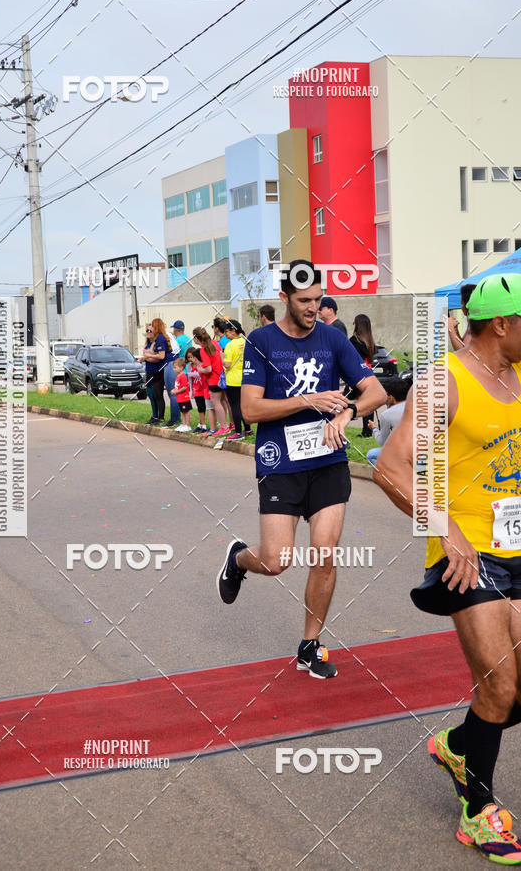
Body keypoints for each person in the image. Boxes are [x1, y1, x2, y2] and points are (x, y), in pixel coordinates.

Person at [375, 273, 521, 863]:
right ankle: (479, 812)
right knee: (500, 687)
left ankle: (460, 746)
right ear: (502, 324)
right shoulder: (445, 381)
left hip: (517, 546)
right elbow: (391, 467)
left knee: (516, 696)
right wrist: (446, 529)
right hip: (468, 556)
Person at [217, 260, 386, 678]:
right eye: (304, 300)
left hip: (328, 459)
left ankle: (310, 645)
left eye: (318, 299)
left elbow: (376, 391)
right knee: (277, 561)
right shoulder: (261, 341)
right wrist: (308, 401)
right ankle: (239, 559)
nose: (313, 308)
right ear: (285, 298)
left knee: (325, 555)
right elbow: (251, 409)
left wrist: (346, 413)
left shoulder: (332, 338)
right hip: (281, 462)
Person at [193, 326, 228, 437]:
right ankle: (227, 425)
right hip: (221, 376)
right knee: (223, 402)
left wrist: (200, 368)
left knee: (216, 403)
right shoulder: (214, 343)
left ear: (196, 338)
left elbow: (208, 369)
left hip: (213, 379)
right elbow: (221, 354)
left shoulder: (203, 350)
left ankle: (224, 427)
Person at [365, 377, 409, 466]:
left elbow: (382, 442)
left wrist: (374, 428)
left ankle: (395, 472)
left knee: (371, 455)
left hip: (404, 453)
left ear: (391, 397)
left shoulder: (386, 415)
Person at [137, 321, 172, 424]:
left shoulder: (158, 341)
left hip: (157, 371)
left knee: (158, 394)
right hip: (149, 371)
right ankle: (154, 416)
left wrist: (146, 357)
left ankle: (161, 418)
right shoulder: (148, 344)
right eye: (147, 330)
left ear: (155, 331)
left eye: (150, 330)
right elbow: (149, 357)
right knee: (151, 394)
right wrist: (145, 358)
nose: (148, 332)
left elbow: (158, 359)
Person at [348, 313, 376, 437]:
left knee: (354, 401)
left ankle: (366, 431)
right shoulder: (370, 341)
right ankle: (368, 429)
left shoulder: (354, 341)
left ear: (357, 325)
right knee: (369, 403)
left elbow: (351, 360)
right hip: (369, 373)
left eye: (354, 323)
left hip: (358, 374)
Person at [222, 319, 251, 440]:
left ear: (233, 331)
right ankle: (248, 429)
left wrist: (222, 358)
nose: (225, 334)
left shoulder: (230, 345)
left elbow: (227, 364)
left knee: (235, 406)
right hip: (245, 378)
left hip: (233, 380)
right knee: (243, 405)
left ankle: (238, 432)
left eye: (227, 332)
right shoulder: (245, 342)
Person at [186, 347, 210, 433]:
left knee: (205, 407)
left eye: (192, 357)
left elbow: (200, 374)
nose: (191, 359)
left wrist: (194, 374)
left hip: (204, 388)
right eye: (189, 357)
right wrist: (191, 391)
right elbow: (190, 379)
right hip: (196, 389)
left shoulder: (201, 364)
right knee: (200, 407)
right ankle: (202, 425)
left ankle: (202, 424)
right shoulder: (189, 366)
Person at [448, 283, 476, 351]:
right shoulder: (470, 323)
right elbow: (463, 345)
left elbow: (464, 352)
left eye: (462, 304)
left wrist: (450, 328)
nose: (461, 307)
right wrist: (455, 330)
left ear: (468, 304)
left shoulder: (476, 323)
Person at [170, 358, 192, 432]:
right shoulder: (178, 376)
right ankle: (183, 424)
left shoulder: (183, 376)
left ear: (181, 367)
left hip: (184, 397)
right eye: (174, 367)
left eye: (175, 367)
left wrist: (177, 391)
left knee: (186, 411)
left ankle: (187, 425)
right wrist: (174, 390)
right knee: (183, 411)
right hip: (180, 398)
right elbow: (178, 386)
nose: (174, 369)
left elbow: (185, 387)